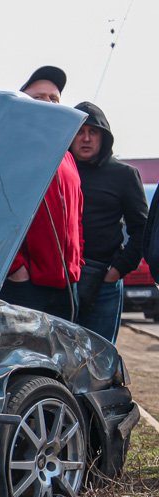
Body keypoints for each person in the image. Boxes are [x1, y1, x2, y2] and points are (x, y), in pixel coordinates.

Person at [0, 66, 82, 321]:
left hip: (67, 285)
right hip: (26, 286)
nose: (48, 102)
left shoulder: (67, 156)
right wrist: (16, 269)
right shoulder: (8, 149)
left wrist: (77, 263)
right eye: (38, 97)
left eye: (54, 98)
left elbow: (77, 215)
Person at [68, 101, 148, 343]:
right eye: (80, 131)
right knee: (56, 355)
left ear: (104, 137)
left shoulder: (124, 175)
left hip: (104, 280)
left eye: (93, 132)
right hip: (60, 280)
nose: (86, 138)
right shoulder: (56, 171)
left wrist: (118, 270)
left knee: (99, 356)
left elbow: (142, 229)